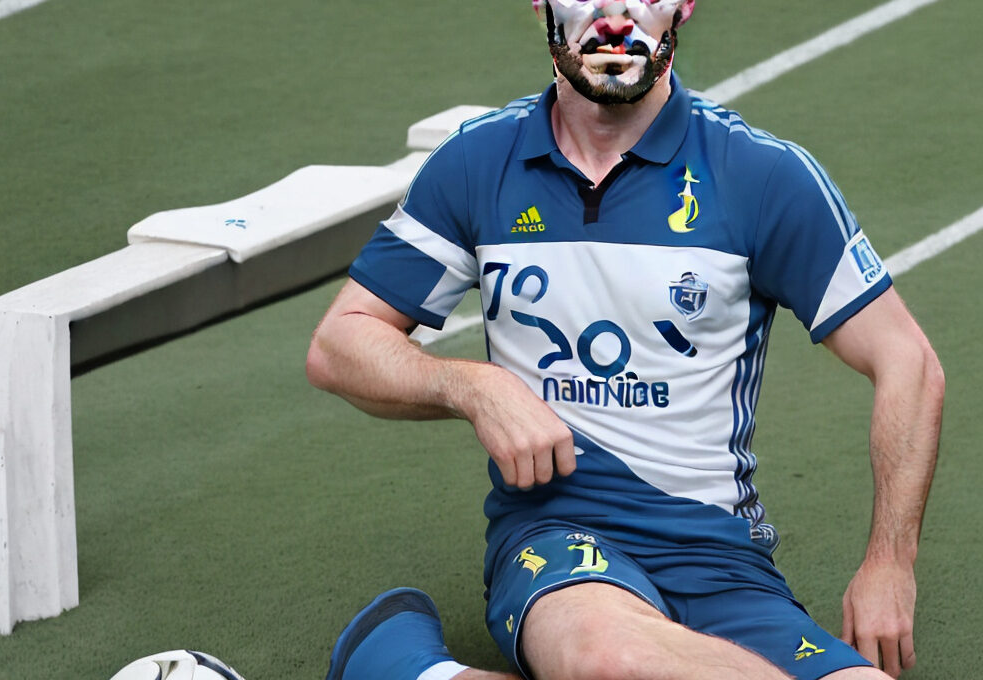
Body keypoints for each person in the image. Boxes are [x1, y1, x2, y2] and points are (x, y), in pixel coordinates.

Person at [306, 1, 944, 678]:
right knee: (614, 661)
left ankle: (407, 669)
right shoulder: (479, 161)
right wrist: (473, 386)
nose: (615, 12)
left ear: (683, 6)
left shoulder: (761, 174)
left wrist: (889, 564)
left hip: (721, 560)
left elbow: (907, 360)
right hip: (557, 539)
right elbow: (340, 343)